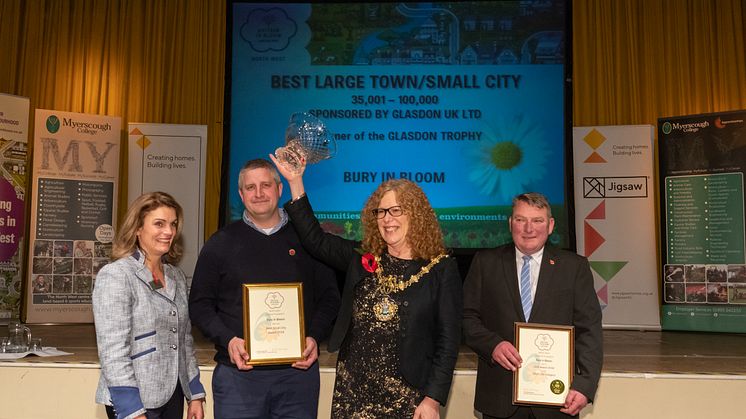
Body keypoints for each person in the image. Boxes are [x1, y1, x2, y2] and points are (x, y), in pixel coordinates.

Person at [271, 155, 462, 419]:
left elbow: (448, 341)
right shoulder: (362, 257)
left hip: (408, 396)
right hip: (354, 392)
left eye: (396, 210)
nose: (387, 219)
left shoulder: (441, 269)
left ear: (415, 215)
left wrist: (432, 399)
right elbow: (315, 240)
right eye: (381, 212)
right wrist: (295, 181)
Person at [189, 158, 340, 419]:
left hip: (297, 378)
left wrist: (314, 336)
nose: (258, 193)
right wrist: (228, 340)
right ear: (240, 194)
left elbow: (329, 298)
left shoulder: (308, 241)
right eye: (250, 187)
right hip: (238, 378)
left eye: (266, 185)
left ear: (279, 189)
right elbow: (200, 305)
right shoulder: (220, 244)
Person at [462, 192, 603, 419]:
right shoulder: (485, 263)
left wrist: (584, 384)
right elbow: (466, 318)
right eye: (520, 220)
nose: (529, 229)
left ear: (550, 225)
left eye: (537, 220)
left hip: (557, 400)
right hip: (500, 399)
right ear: (511, 223)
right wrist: (493, 345)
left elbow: (589, 330)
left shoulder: (574, 268)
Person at [92, 191, 206, 419]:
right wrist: (132, 411)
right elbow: (113, 352)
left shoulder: (176, 276)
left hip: (172, 395)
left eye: (173, 224)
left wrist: (195, 394)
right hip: (134, 400)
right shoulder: (116, 275)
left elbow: (183, 340)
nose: (169, 232)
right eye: (159, 224)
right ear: (137, 228)